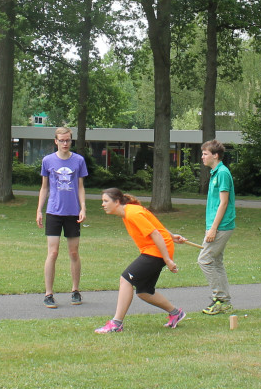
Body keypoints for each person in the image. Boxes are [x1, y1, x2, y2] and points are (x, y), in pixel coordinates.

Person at [94, 188, 187, 333]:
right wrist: (171, 235)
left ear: (117, 202)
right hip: (156, 250)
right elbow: (155, 225)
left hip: (156, 251)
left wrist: (167, 259)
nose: (103, 204)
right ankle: (176, 313)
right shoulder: (130, 211)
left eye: (106, 201)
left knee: (125, 279)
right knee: (144, 292)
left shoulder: (132, 213)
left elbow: (155, 234)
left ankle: (116, 323)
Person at [36, 126, 89, 308]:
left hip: (72, 212)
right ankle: (48, 293)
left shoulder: (79, 160)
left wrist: (83, 207)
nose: (65, 143)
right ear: (55, 141)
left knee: (74, 252)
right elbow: (44, 188)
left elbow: (80, 186)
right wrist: (39, 210)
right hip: (54, 212)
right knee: (53, 252)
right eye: (62, 140)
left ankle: (75, 290)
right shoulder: (48, 161)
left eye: (68, 140)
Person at [196, 139, 237, 314]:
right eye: (202, 154)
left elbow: (224, 203)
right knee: (216, 262)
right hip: (215, 224)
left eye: (205, 154)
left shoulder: (222, 173)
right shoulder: (215, 173)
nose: (202, 157)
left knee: (204, 259)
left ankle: (219, 298)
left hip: (222, 226)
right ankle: (225, 302)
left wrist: (213, 229)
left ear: (216, 155)